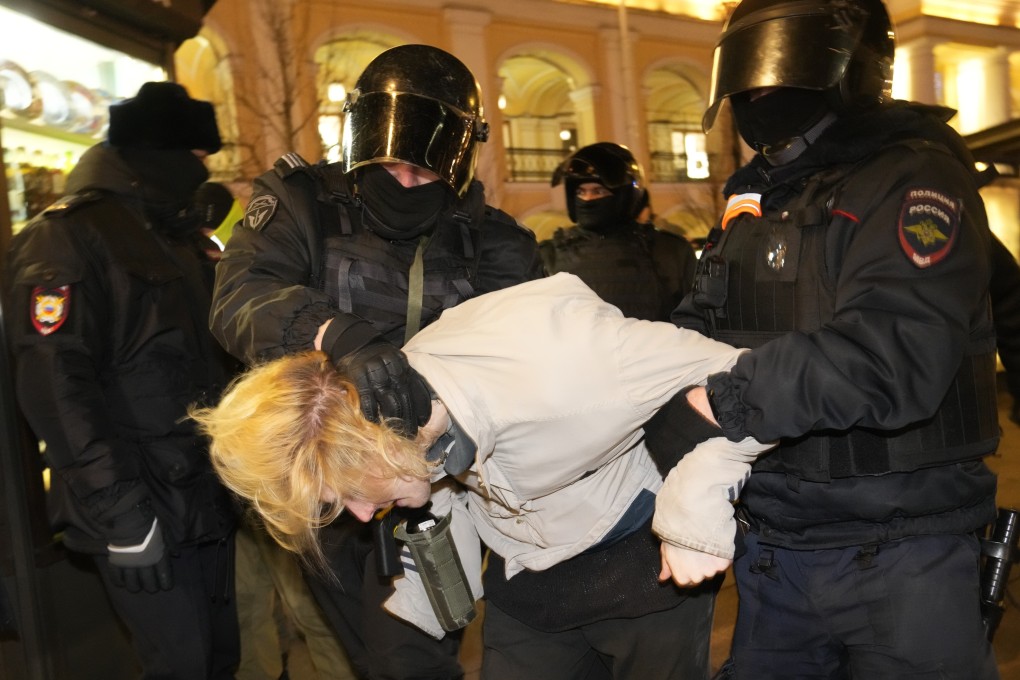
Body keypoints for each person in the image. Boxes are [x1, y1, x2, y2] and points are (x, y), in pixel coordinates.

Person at [643, 1, 1003, 678]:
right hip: (775, 544)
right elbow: (698, 325)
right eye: (747, 81)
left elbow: (889, 355)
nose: (760, 100)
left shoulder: (912, 178)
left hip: (899, 551)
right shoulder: (755, 197)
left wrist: (719, 405)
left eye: (780, 75)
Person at [192, 273, 772, 680]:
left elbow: (753, 381)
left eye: (346, 495)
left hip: (645, 562)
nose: (363, 516)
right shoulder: (404, 406)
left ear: (371, 444)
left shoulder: (573, 365)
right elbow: (454, 474)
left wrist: (694, 505)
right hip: (528, 571)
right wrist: (431, 590)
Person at [209, 44, 543, 680]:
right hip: (329, 486)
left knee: (411, 656)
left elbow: (531, 350)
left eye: (424, 173)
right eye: (390, 166)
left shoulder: (496, 241)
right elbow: (238, 299)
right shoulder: (301, 204)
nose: (406, 184)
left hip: (439, 488)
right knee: (362, 653)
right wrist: (338, 336)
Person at [3, 81, 240, 678]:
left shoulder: (175, 235)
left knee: (218, 662)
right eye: (192, 156)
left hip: (203, 501)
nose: (198, 170)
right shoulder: (66, 237)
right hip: (143, 507)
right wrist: (125, 518)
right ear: (152, 157)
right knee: (180, 666)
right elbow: (57, 391)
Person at [541, 142, 697, 321]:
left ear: (624, 196)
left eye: (598, 191)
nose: (588, 198)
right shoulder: (548, 255)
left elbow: (693, 321)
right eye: (580, 191)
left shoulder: (670, 251)